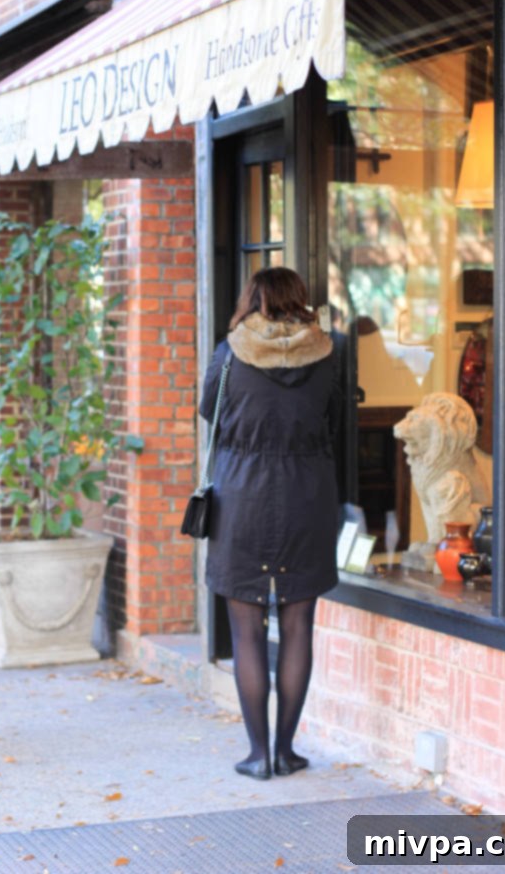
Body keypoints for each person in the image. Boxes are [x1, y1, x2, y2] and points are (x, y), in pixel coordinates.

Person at [200, 268, 343, 780]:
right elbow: (337, 422)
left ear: (253, 299)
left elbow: (207, 410)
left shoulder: (230, 352)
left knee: (247, 632)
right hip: (308, 495)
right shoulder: (330, 353)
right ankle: (286, 749)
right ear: (299, 300)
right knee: (299, 625)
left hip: (241, 497)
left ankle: (258, 755)